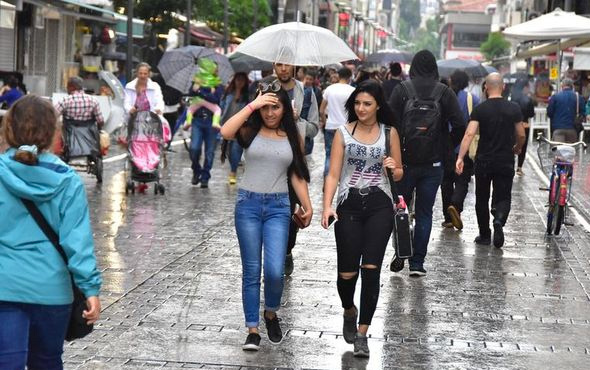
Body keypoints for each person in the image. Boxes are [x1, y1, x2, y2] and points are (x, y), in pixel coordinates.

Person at [0, 95, 102, 369]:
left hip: (4, 287)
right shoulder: (68, 181)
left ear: (8, 129)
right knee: (46, 362)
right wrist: (90, 288)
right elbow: (77, 242)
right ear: (54, 133)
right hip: (52, 291)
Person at [220, 76, 312, 351]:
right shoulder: (250, 130)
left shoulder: (293, 134)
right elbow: (225, 131)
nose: (270, 113)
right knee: (251, 270)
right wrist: (252, 105)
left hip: (278, 207)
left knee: (274, 270)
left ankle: (270, 313)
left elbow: (297, 173)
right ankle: (252, 330)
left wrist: (307, 205)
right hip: (248, 205)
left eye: (275, 108)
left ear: (285, 109)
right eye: (266, 108)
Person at [321, 80, 403, 358]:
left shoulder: (389, 133)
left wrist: (395, 167)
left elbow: (400, 172)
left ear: (378, 105)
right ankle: (349, 309)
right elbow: (332, 173)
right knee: (347, 273)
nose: (361, 108)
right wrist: (326, 206)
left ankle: (362, 333)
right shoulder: (343, 133)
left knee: (371, 269)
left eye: (367, 104)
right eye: (357, 103)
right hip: (349, 204)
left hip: (380, 203)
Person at [388, 50, 465, 276]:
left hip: (404, 162)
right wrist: (445, 146)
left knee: (400, 209)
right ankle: (417, 263)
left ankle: (401, 251)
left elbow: (389, 124)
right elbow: (460, 124)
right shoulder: (444, 92)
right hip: (433, 164)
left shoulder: (402, 90)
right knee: (424, 212)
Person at [455, 73, 526, 248]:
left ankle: (485, 234)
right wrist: (517, 147)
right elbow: (522, 134)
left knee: (482, 197)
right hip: (505, 160)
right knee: (503, 196)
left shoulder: (480, 109)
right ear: (503, 87)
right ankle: (499, 220)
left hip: (484, 160)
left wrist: (460, 157)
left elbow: (469, 134)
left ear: (486, 87)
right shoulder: (513, 108)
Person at [273, 62, 319, 276]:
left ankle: (287, 250)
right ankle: (275, 254)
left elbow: (314, 127)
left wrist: (296, 120)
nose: (282, 69)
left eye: (286, 65)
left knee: (292, 210)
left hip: (294, 159)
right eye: (278, 64)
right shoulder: (265, 88)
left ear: (293, 67)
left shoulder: (306, 92)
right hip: (271, 160)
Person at [441, 70, 480, 230]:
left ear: (451, 80)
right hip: (466, 146)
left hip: (446, 146)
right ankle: (456, 206)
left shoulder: (444, 96)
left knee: (446, 181)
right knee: (463, 180)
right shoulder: (473, 99)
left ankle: (448, 217)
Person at [185, 68, 225, 188]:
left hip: (211, 121)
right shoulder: (197, 80)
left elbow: (216, 99)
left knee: (210, 152)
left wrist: (201, 92)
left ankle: (205, 176)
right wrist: (195, 88)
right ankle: (196, 170)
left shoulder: (218, 85)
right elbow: (190, 95)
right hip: (197, 120)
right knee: (194, 149)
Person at [319, 67, 355, 178]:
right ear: (350, 77)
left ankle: (327, 180)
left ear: (338, 76)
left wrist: (325, 123)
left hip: (330, 126)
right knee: (346, 156)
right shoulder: (352, 91)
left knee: (329, 155)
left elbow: (321, 110)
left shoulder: (329, 89)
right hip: (346, 129)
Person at [220, 72, 250, 184]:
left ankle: (233, 171)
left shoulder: (247, 96)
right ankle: (233, 167)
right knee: (227, 151)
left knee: (235, 150)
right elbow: (222, 107)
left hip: (240, 128)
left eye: (242, 80)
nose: (239, 82)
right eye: (238, 79)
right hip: (227, 125)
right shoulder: (228, 93)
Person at [547, 78, 586, 143]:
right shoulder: (578, 97)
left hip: (558, 128)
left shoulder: (555, 97)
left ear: (562, 86)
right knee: (570, 150)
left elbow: (549, 113)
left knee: (559, 150)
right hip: (573, 129)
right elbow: (583, 113)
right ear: (572, 86)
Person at [510, 79, 536, 175]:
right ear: (525, 87)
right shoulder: (528, 100)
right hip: (524, 125)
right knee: (523, 146)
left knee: (512, 145)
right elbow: (531, 114)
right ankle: (519, 167)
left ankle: (511, 165)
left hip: (512, 126)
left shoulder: (512, 98)